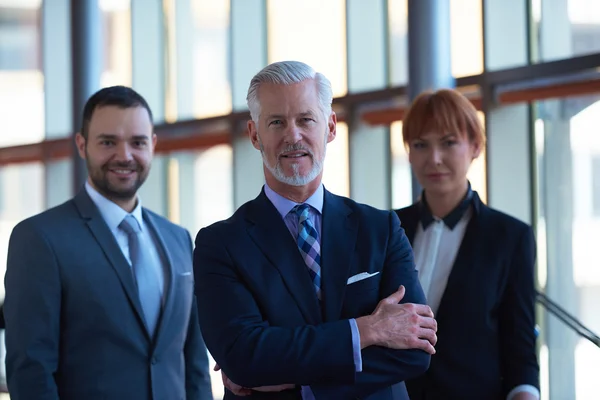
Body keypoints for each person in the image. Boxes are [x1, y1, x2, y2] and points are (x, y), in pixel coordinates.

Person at [193, 61, 437, 400]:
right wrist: (366, 330)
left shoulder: (380, 229)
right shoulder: (220, 244)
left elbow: (414, 350)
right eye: (276, 122)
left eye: (306, 119)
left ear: (331, 127)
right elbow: (244, 356)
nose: (293, 135)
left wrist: (300, 383)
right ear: (254, 134)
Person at [3, 86, 213, 400]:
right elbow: (30, 370)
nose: (125, 155)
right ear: (82, 145)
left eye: (137, 142)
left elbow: (194, 363)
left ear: (152, 145)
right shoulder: (39, 239)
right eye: (108, 142)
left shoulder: (178, 238)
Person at [394, 89, 540, 400]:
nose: (434, 158)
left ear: (475, 146)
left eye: (448, 143)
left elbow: (520, 348)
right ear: (408, 152)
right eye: (421, 145)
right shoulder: (386, 228)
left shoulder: (509, 237)